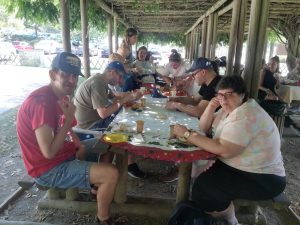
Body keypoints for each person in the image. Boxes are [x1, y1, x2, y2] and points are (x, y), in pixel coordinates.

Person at [16, 52, 122, 225]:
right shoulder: (41, 103)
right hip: (47, 168)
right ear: (52, 74)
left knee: (109, 141)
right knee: (111, 174)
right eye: (65, 74)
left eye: (74, 75)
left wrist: (78, 145)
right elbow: (49, 152)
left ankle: (97, 189)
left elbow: (68, 129)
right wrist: (68, 125)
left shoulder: (60, 96)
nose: (71, 80)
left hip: (65, 153)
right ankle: (103, 218)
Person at [173, 75, 286, 225]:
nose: (224, 100)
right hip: (244, 169)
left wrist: (187, 134)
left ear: (242, 94)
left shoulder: (247, 115)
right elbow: (203, 127)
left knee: (205, 187)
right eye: (220, 94)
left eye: (230, 94)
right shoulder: (230, 109)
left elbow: (224, 150)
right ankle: (228, 218)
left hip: (263, 178)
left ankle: (228, 219)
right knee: (201, 176)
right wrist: (212, 106)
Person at [74, 61, 146, 179]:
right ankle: (107, 173)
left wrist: (130, 96)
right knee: (123, 131)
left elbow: (115, 95)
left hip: (92, 123)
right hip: (88, 129)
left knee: (125, 120)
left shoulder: (100, 80)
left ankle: (109, 170)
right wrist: (123, 100)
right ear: (112, 72)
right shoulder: (97, 82)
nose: (120, 80)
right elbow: (103, 113)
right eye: (120, 76)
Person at [161, 58, 222, 183]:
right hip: (209, 123)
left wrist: (176, 105)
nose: (193, 77)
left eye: (194, 74)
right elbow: (195, 100)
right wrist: (176, 99)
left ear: (203, 72)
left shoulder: (216, 85)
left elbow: (199, 111)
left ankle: (184, 169)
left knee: (182, 132)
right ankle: (180, 165)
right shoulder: (208, 83)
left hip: (216, 129)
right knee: (178, 126)